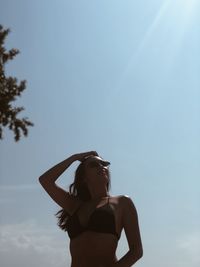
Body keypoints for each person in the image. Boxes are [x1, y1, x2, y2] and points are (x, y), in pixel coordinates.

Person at [38, 151, 143, 267]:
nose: (101, 167)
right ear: (84, 178)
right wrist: (74, 158)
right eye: (94, 165)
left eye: (104, 164)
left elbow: (136, 251)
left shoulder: (122, 202)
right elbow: (45, 180)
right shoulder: (75, 205)